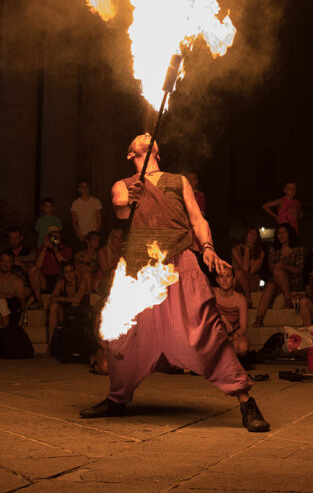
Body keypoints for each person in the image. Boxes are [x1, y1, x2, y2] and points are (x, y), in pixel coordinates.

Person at [79, 134, 268, 432]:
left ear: (157, 151)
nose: (145, 134)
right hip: (142, 269)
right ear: (131, 153)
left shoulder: (179, 181)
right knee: (121, 337)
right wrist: (132, 198)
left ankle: (246, 401)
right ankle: (117, 400)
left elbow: (198, 220)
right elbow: (120, 209)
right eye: (138, 137)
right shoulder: (123, 184)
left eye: (148, 135)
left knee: (207, 329)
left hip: (182, 261)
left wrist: (207, 247)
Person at [253, 223, 303, 327]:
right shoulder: (274, 249)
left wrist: (284, 266)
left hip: (293, 280)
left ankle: (288, 300)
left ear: (289, 234)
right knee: (271, 283)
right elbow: (271, 268)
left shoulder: (297, 249)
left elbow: (299, 269)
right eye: (279, 233)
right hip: (277, 279)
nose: (281, 235)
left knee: (276, 273)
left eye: (284, 232)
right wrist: (278, 267)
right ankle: (259, 318)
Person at [30, 225, 73, 305]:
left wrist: (55, 250)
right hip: (45, 279)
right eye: (52, 237)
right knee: (33, 269)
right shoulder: (42, 249)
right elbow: (38, 266)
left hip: (60, 278)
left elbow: (65, 265)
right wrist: (45, 248)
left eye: (57, 237)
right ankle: (38, 300)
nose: (55, 239)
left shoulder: (67, 250)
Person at [46, 263, 90, 340]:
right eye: (66, 272)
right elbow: (52, 298)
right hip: (65, 316)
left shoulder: (82, 282)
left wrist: (59, 298)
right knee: (53, 306)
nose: (69, 274)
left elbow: (77, 299)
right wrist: (58, 299)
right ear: (63, 274)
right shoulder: (61, 283)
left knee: (75, 303)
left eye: (71, 271)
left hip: (79, 317)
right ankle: (51, 344)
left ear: (75, 272)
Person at [213, 266, 249, 356]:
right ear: (217, 280)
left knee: (242, 346)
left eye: (228, 276)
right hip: (214, 333)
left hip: (233, 334)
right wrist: (222, 317)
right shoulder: (212, 293)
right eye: (221, 276)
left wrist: (233, 337)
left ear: (233, 279)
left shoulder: (240, 299)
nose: (224, 279)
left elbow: (243, 328)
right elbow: (205, 312)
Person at [231, 227, 265, 308]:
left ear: (258, 237)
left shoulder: (261, 253)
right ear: (245, 235)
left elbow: (249, 271)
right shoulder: (235, 250)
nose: (252, 236)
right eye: (250, 233)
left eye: (255, 234)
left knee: (239, 273)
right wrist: (247, 251)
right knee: (238, 274)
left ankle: (248, 300)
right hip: (238, 281)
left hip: (251, 282)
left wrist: (247, 251)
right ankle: (248, 300)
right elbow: (245, 269)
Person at [70, 180, 102, 246]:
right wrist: (79, 235)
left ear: (89, 188)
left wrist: (95, 235)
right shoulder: (75, 203)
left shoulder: (96, 201)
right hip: (81, 235)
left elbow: (99, 220)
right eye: (82, 186)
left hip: (93, 235)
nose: (84, 188)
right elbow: (74, 222)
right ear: (79, 189)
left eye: (86, 186)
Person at [96, 227, 124, 296]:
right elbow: (106, 272)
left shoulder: (124, 252)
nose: (119, 240)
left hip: (119, 281)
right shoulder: (102, 251)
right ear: (111, 239)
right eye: (116, 238)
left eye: (120, 238)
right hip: (103, 281)